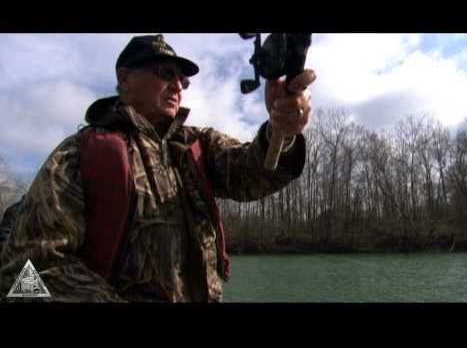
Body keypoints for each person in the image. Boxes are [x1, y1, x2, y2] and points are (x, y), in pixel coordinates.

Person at [0, 34, 316, 302]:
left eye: (184, 80)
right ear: (124, 79)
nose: (178, 85)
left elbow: (253, 174)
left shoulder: (198, 145)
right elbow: (27, 270)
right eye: (166, 72)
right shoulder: (77, 155)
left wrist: (281, 131)